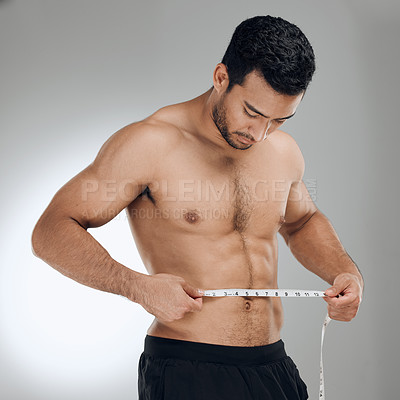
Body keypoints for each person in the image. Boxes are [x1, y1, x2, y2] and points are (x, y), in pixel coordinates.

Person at [31, 15, 364, 400]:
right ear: (221, 77)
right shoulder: (151, 144)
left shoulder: (281, 150)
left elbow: (302, 221)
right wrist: (136, 287)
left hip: (273, 366)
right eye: (252, 113)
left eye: (279, 120)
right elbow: (50, 230)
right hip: (189, 368)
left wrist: (345, 273)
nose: (260, 134)